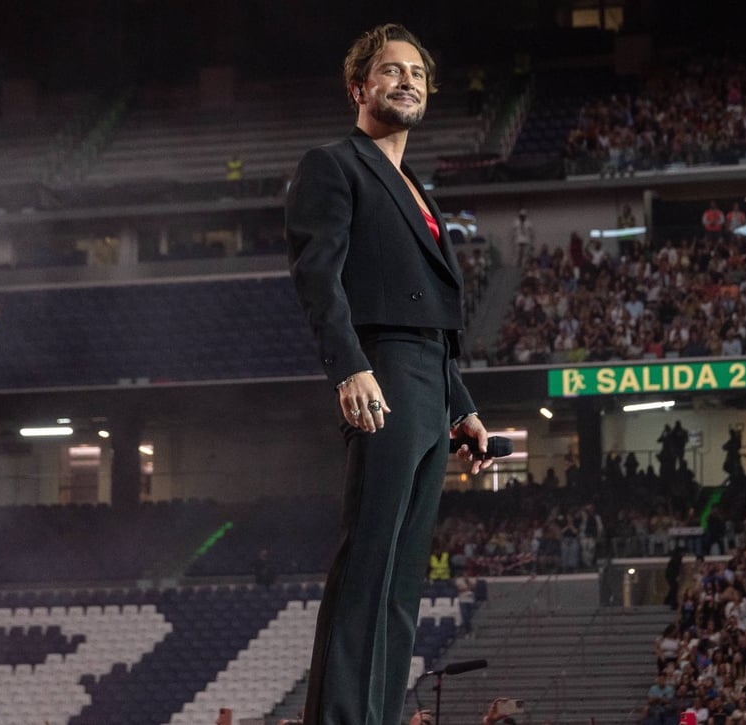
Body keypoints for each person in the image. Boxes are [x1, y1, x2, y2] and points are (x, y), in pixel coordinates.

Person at [285, 23, 493, 725]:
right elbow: (318, 275)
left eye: (417, 74)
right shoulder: (333, 163)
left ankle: (374, 714)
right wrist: (350, 365)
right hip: (384, 371)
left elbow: (431, 306)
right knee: (368, 562)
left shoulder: (414, 188)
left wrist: (459, 401)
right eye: (389, 71)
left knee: (404, 578)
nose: (406, 80)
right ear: (359, 88)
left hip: (431, 380)